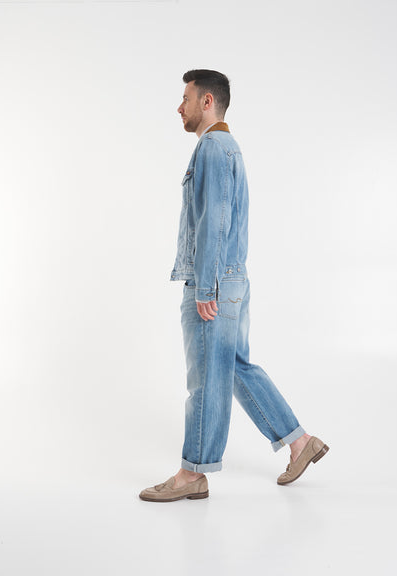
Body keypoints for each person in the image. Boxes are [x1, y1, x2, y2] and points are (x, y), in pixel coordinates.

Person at [139, 70, 328, 503]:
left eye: (186, 98)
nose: (179, 107)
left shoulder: (213, 147)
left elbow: (216, 221)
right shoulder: (225, 148)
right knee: (234, 367)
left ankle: (192, 473)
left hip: (215, 281)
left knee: (206, 378)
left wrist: (205, 287)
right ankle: (300, 442)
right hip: (232, 278)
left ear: (207, 102)